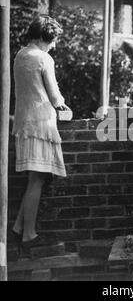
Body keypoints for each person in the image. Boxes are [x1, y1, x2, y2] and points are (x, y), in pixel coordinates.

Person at [11, 16, 70, 253]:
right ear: (45, 37)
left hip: (24, 123)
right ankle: (29, 235)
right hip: (42, 123)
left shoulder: (19, 55)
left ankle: (17, 228)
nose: (54, 45)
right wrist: (64, 106)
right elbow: (55, 97)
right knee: (38, 179)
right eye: (53, 40)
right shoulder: (44, 57)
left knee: (34, 179)